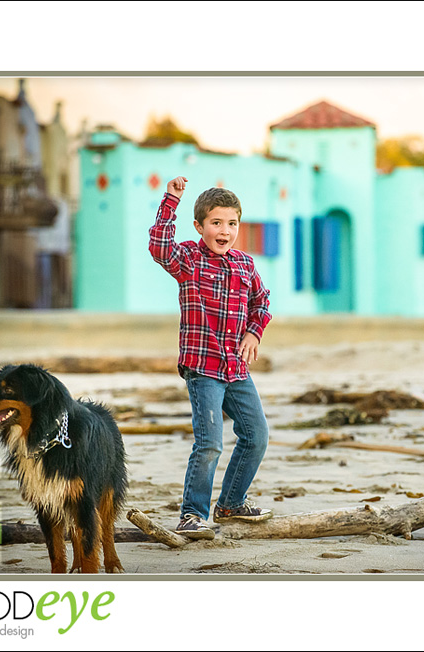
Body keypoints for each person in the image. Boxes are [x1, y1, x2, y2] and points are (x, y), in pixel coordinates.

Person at [148, 176, 273, 540]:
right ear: (199, 226)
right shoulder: (187, 259)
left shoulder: (244, 265)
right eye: (216, 223)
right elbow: (159, 247)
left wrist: (253, 331)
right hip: (203, 369)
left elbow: (261, 302)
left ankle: (232, 503)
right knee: (210, 443)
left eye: (232, 223)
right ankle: (192, 514)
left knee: (256, 435)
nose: (225, 230)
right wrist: (171, 200)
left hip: (236, 369)